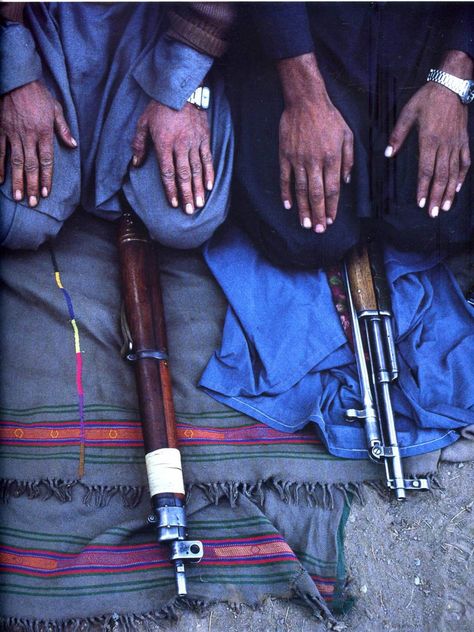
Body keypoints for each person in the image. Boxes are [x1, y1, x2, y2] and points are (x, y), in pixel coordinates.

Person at [227, 3, 473, 268]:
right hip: (309, 40)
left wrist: (455, 76)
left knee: (432, 226)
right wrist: (302, 94)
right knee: (308, 238)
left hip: (428, 39)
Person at [0, 2, 235, 250]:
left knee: (186, 221)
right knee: (18, 221)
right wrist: (17, 75)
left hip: (160, 24)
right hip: (37, 19)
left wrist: (184, 83)